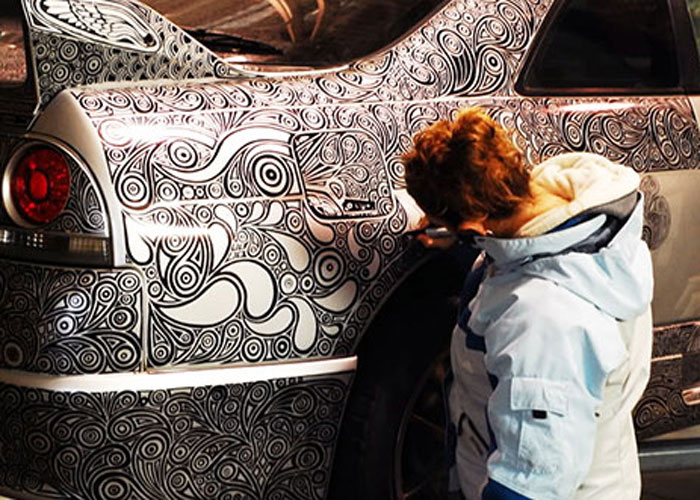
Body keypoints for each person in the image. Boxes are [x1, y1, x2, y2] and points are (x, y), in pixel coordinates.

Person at [401, 108, 653, 499]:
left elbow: (535, 477)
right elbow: (512, 266)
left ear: (474, 224)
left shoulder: (544, 320)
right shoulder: (574, 233)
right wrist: (460, 240)